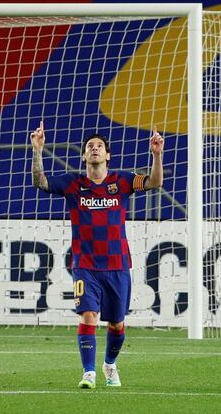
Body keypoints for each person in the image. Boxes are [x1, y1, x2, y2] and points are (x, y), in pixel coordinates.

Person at [30, 121, 164, 389]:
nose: (94, 149)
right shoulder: (72, 184)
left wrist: (157, 155)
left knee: (116, 323)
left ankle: (110, 365)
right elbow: (40, 182)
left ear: (107, 155)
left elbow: (154, 182)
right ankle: (88, 372)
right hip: (85, 264)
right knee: (88, 316)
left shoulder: (123, 181)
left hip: (117, 265)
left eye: (99, 146)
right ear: (83, 156)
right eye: (90, 146)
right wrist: (37, 150)